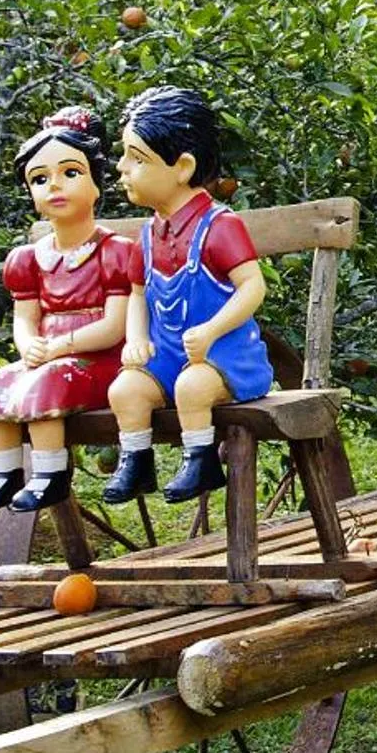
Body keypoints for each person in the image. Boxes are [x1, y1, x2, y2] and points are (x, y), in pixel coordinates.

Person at [0, 108, 143, 515]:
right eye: (40, 179)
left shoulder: (115, 251)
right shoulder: (28, 258)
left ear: (96, 184)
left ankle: (50, 475)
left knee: (47, 381)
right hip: (48, 353)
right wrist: (28, 345)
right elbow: (25, 316)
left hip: (100, 359)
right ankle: (5, 472)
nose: (54, 187)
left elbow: (115, 326)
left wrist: (58, 347)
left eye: (70, 173)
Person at [104, 86, 274, 507]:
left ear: (182, 167)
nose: (122, 167)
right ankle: (136, 461)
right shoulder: (148, 234)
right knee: (125, 390)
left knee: (193, 386)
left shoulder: (220, 226)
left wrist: (213, 329)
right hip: (167, 354)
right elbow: (138, 294)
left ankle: (200, 460)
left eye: (136, 158)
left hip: (225, 354)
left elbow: (253, 287)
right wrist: (136, 338)